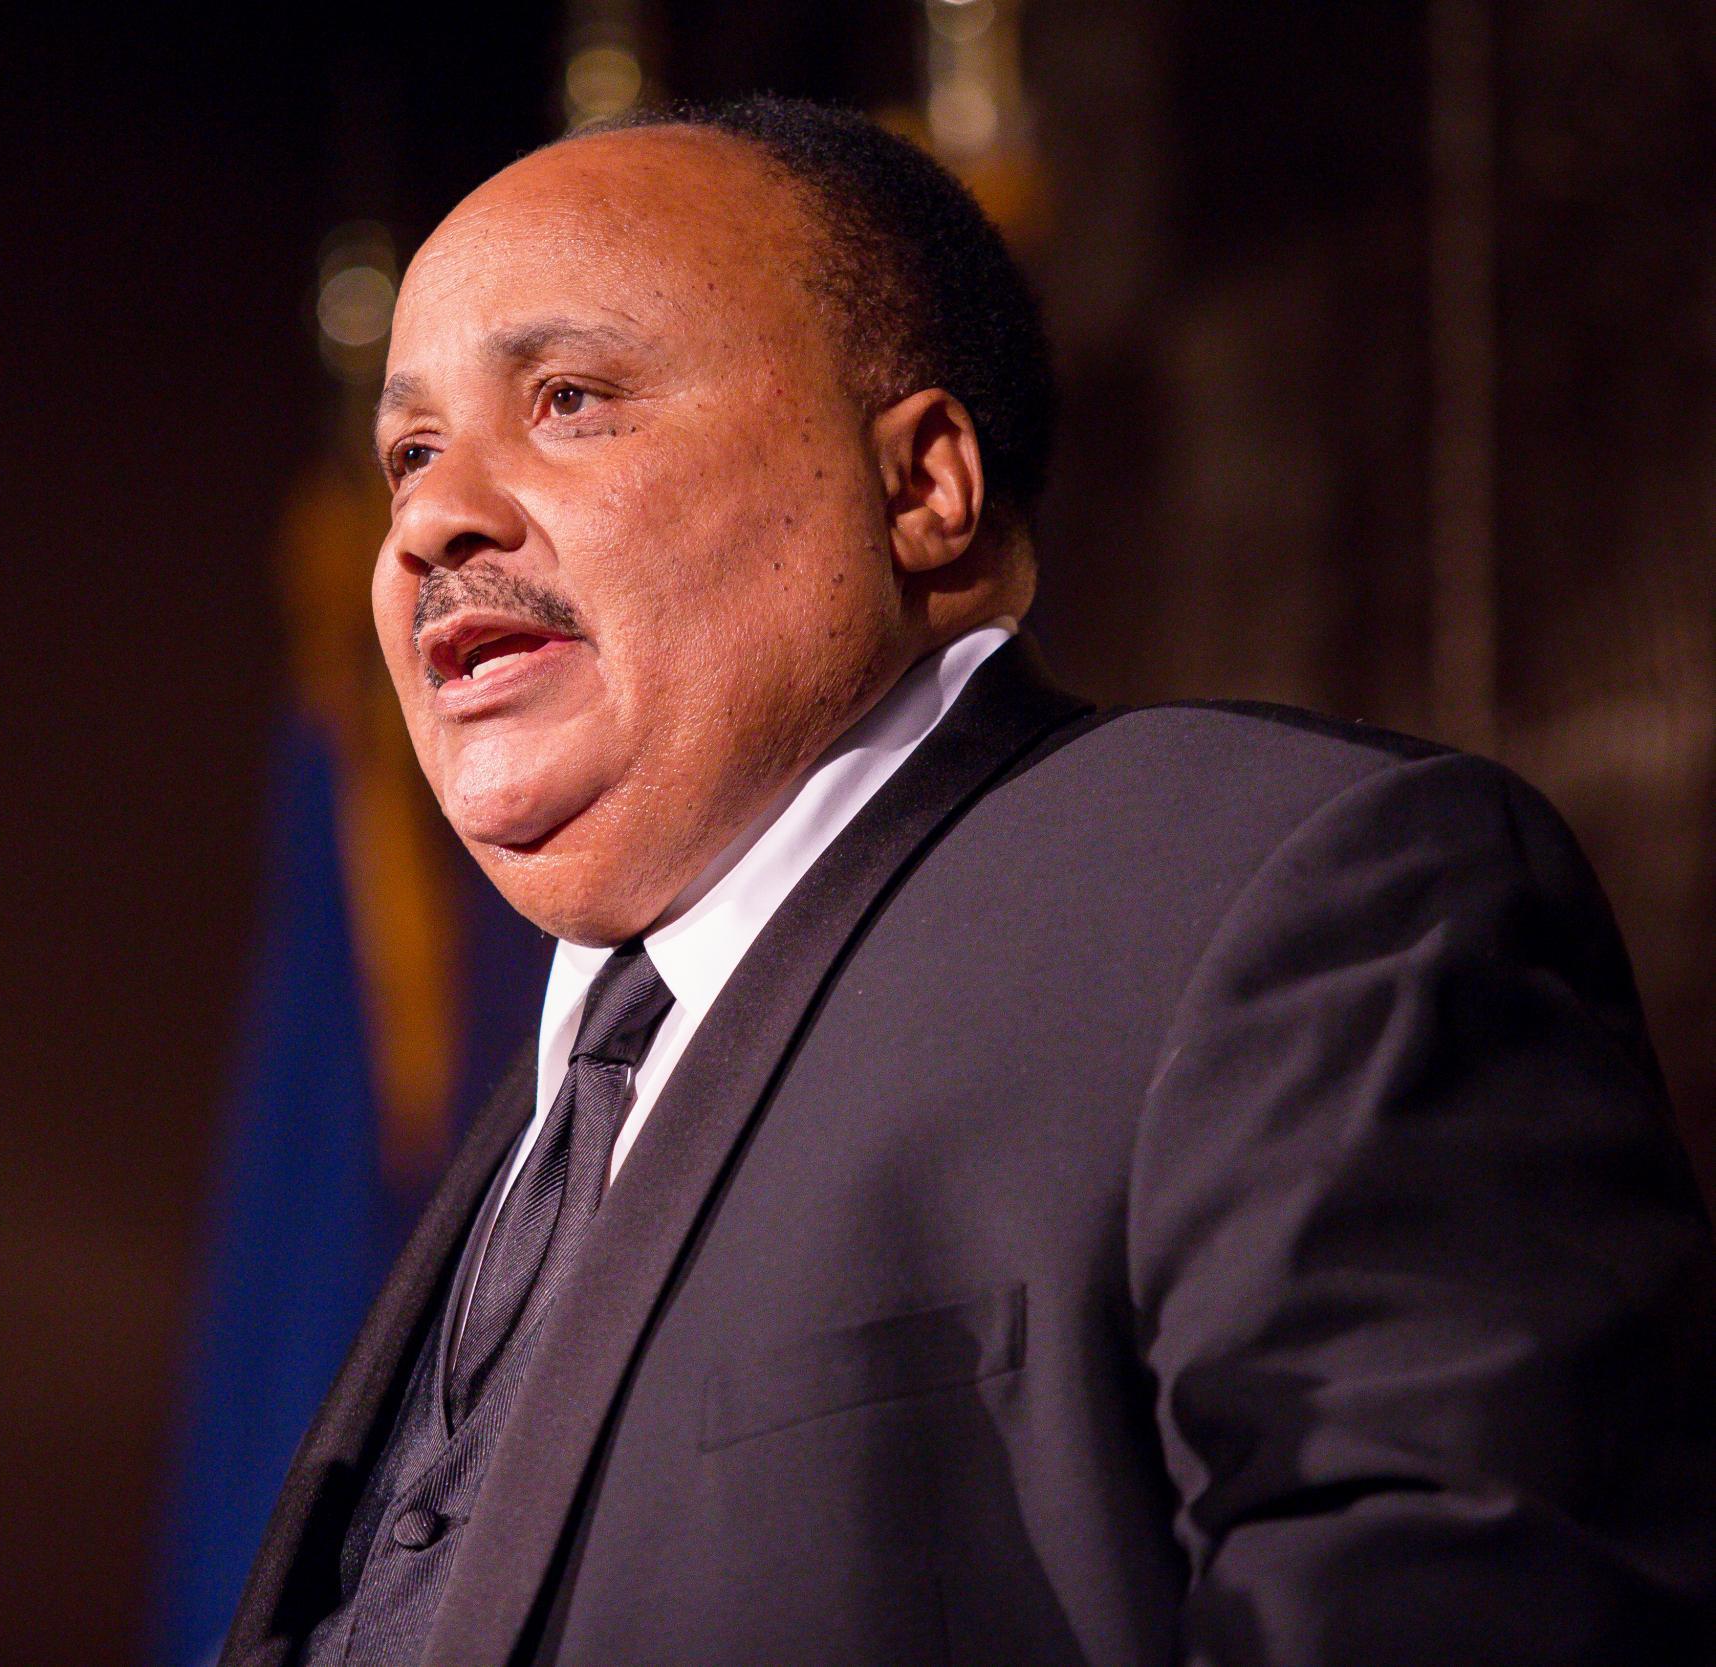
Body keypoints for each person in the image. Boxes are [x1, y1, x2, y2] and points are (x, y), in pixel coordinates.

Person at [220, 97, 1716, 1666]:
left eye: (573, 398)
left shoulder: (1290, 898)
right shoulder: (544, 1117)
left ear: (924, 484)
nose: (433, 520)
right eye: (408, 451)